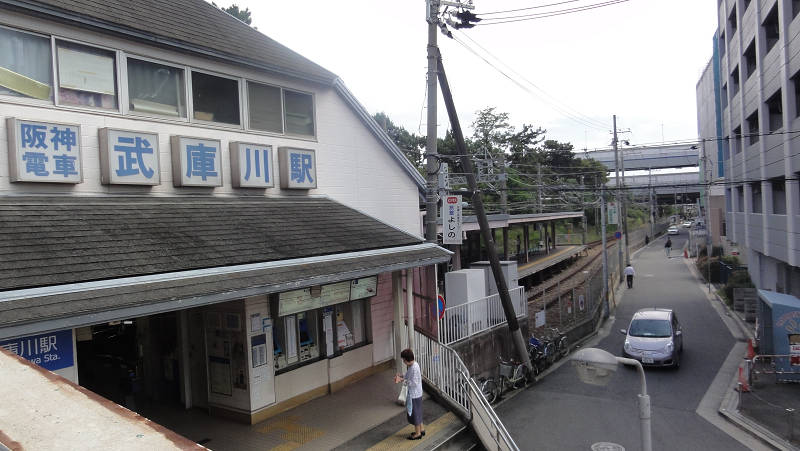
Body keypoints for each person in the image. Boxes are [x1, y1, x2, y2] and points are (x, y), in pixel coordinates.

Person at [394, 348, 424, 440]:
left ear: (407, 359)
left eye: (403, 360)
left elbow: (414, 382)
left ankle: (418, 433)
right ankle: (421, 429)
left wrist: (401, 380)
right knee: (418, 412)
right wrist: (401, 376)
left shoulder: (413, 368)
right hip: (417, 393)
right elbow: (408, 375)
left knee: (415, 414)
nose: (403, 361)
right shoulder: (414, 365)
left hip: (414, 394)